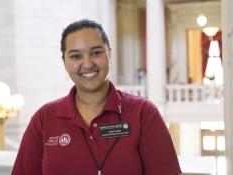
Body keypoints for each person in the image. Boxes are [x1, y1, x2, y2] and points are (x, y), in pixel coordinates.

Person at [11, 19, 181, 175]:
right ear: (64, 63)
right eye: (76, 56)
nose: (87, 64)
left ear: (109, 54)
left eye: (96, 52)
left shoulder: (143, 113)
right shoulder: (45, 118)